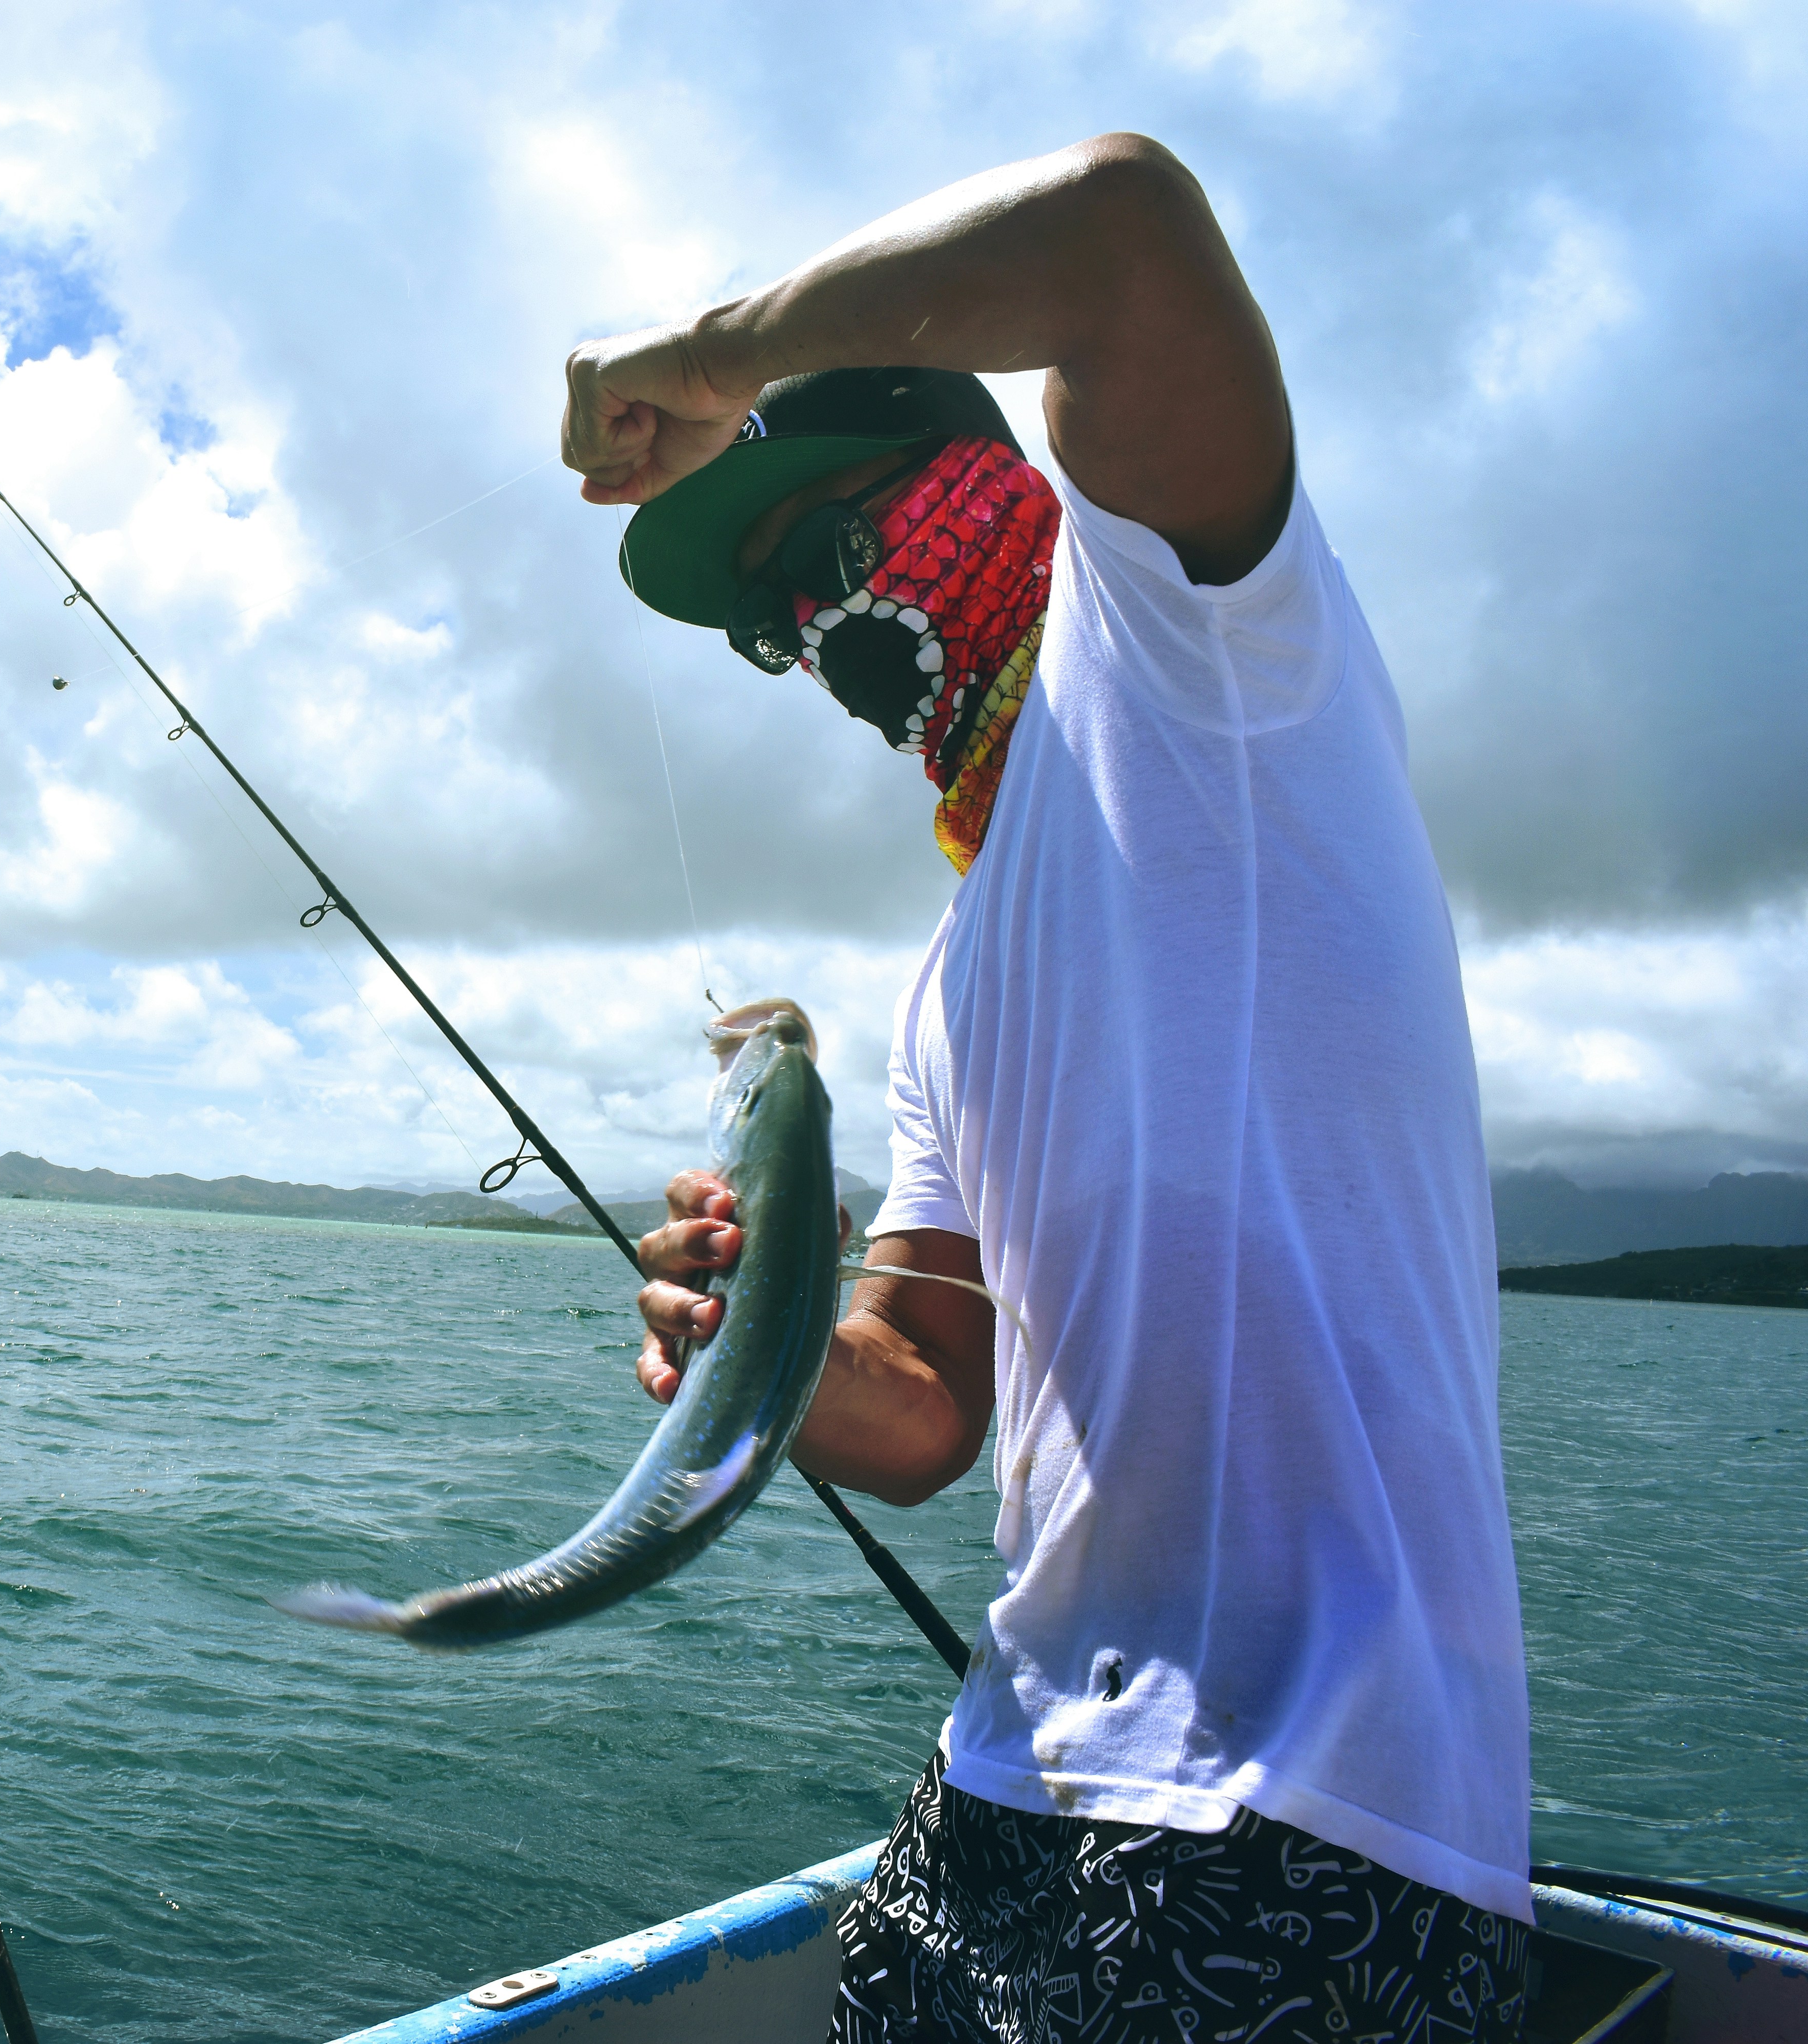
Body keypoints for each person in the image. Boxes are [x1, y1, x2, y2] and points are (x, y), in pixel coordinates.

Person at [561, 135, 1532, 2043]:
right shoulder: (946, 979)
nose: (818, 640)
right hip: (1005, 1786)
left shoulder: (1201, 645)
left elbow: (1120, 230)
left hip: (1312, 1817)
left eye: (827, 551)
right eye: (777, 620)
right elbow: (922, 1412)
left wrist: (721, 348)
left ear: (984, 485)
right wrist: (758, 1331)